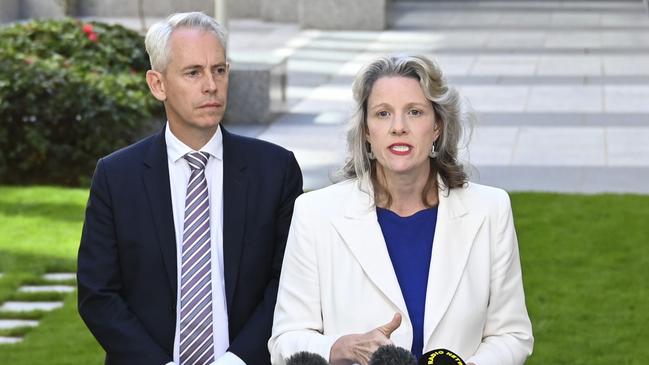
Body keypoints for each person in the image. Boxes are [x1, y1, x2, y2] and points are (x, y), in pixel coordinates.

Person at [268, 54, 533, 365]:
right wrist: (341, 348)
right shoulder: (315, 213)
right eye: (382, 114)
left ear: (437, 127)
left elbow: (512, 334)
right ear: (366, 131)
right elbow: (285, 339)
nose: (398, 127)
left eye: (415, 112)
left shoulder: (490, 209)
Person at [77, 12, 302, 365]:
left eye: (219, 70)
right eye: (194, 72)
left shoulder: (275, 170)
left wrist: (237, 360)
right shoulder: (117, 176)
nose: (211, 85)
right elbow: (98, 293)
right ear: (157, 84)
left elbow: (289, 283)